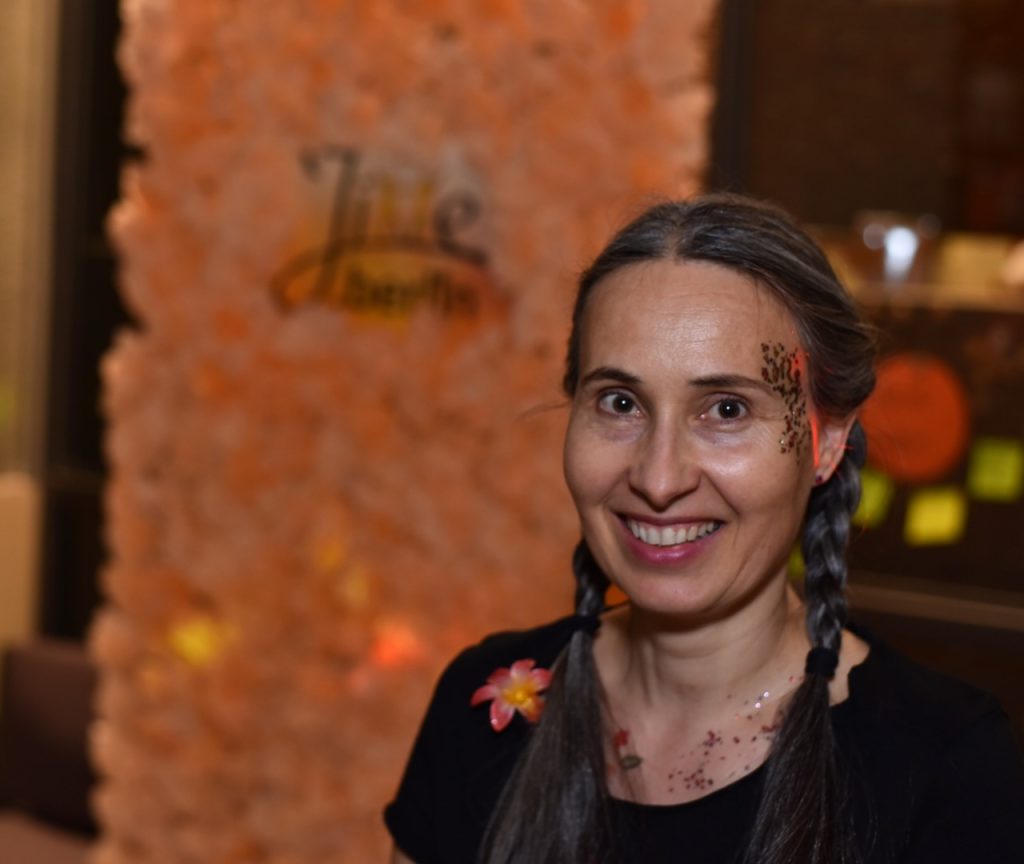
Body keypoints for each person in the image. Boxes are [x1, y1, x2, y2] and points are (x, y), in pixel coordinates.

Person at [384, 194, 1024, 864]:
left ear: (828, 441)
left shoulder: (943, 768)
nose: (659, 479)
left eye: (726, 410)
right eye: (620, 402)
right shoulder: (483, 710)